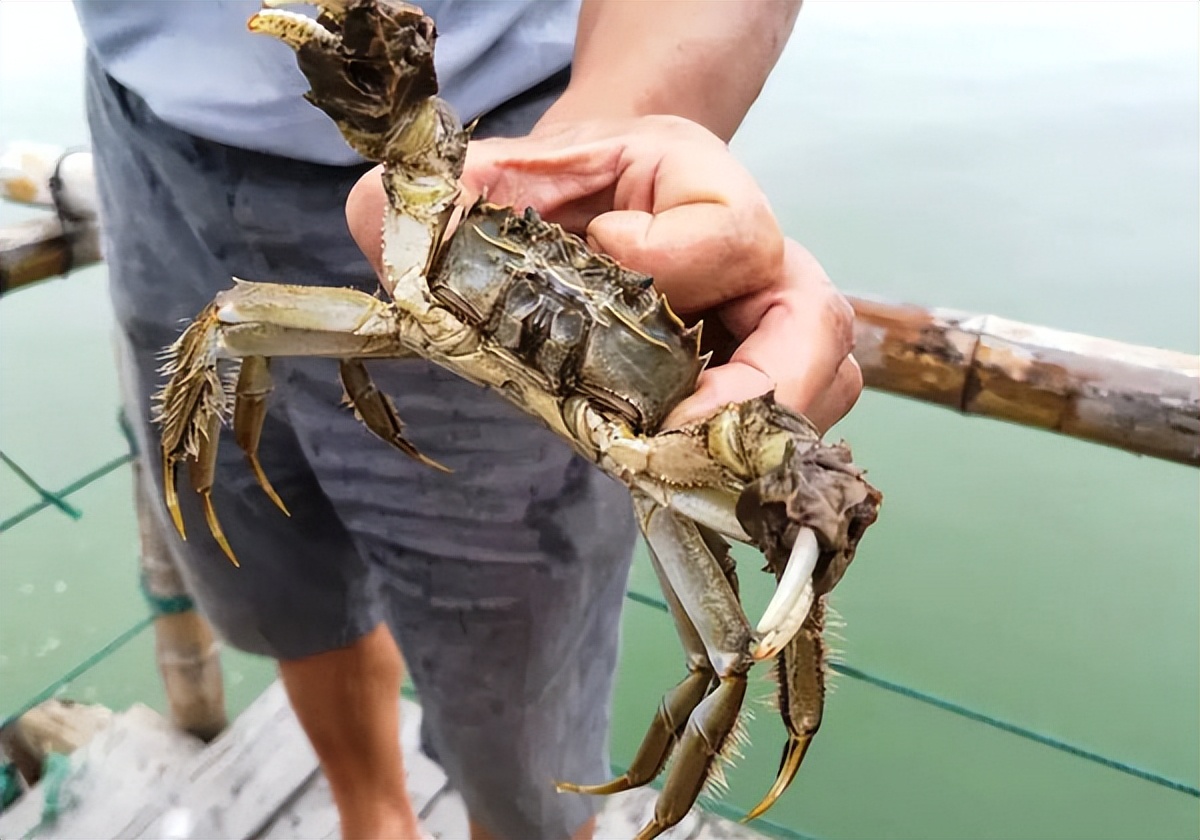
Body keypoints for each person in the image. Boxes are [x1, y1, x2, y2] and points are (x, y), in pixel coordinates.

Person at [73, 1, 861, 838]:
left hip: (527, 153)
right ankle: (371, 819)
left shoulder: (651, 409)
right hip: (171, 139)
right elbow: (234, 328)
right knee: (272, 562)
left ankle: (625, 810)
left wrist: (617, 128)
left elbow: (753, 612)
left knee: (632, 672)